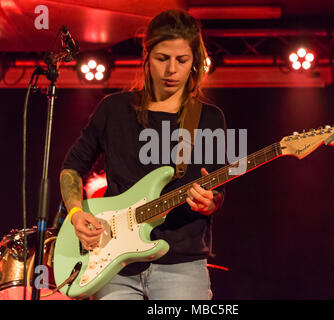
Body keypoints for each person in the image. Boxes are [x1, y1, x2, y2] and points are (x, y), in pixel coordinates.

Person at [60, 9, 227, 300]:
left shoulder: (209, 118)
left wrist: (209, 203)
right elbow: (72, 167)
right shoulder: (113, 109)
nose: (171, 70)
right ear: (146, 56)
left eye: (182, 60)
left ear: (194, 63)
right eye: (162, 58)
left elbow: (217, 190)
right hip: (113, 266)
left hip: (181, 266)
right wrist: (75, 213)